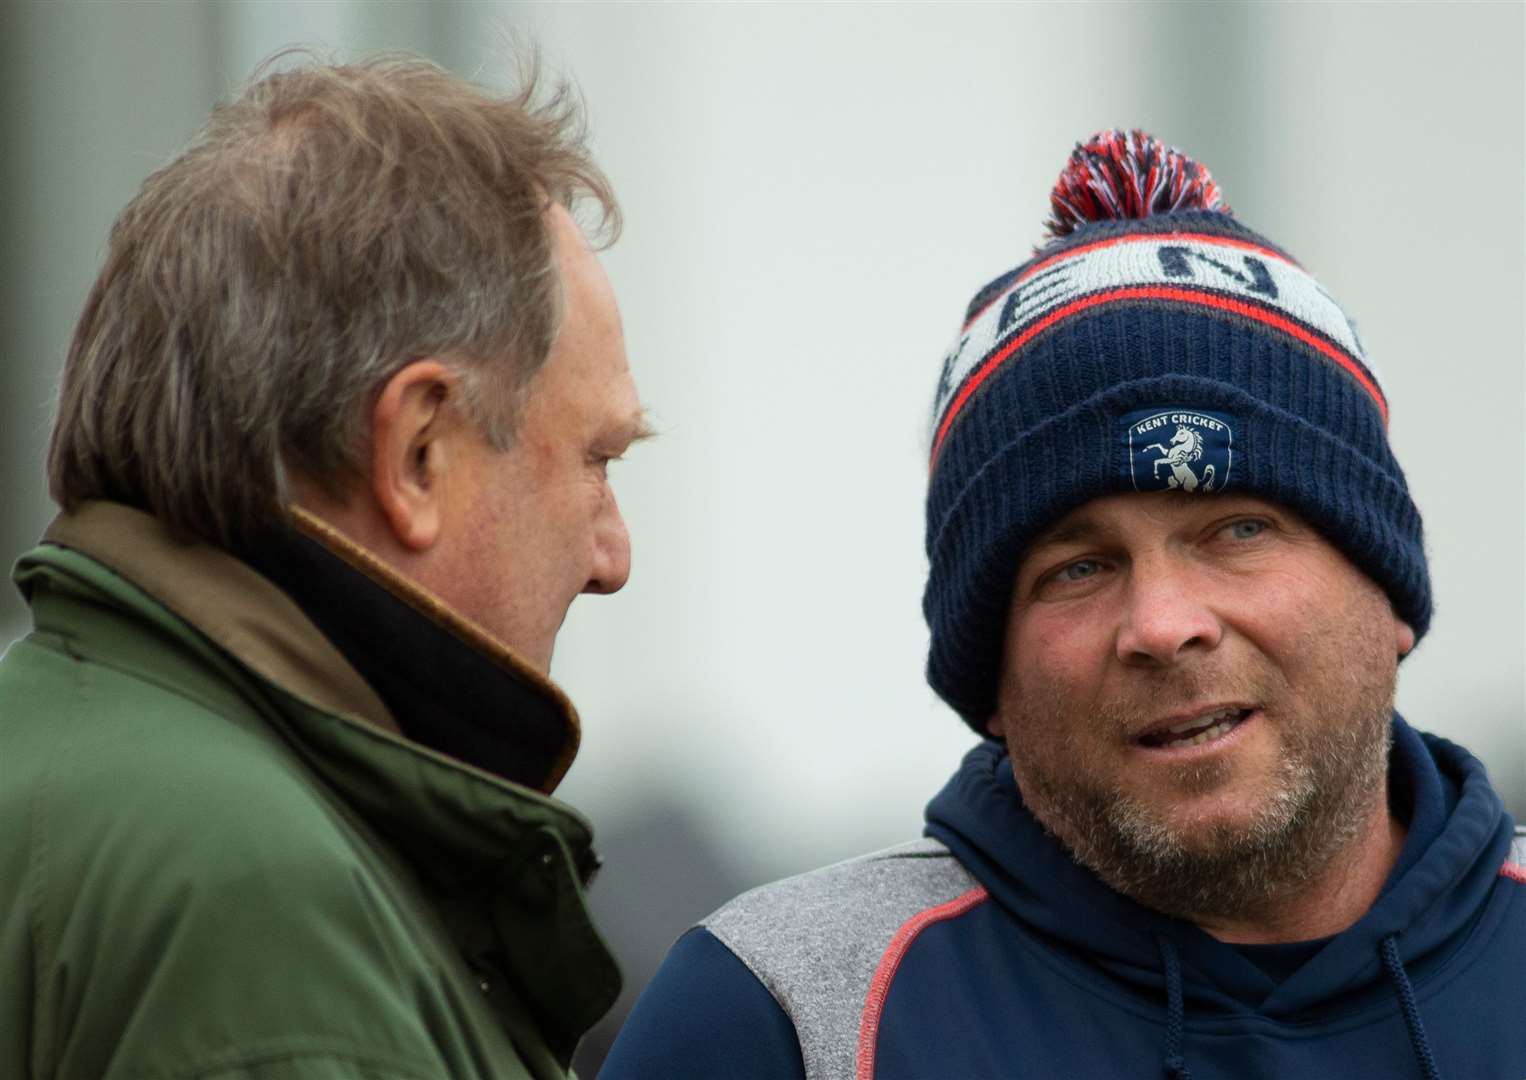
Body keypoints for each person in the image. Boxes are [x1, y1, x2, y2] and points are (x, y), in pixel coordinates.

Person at [602, 131, 1526, 1080]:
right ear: (989, 677)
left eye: (1238, 530)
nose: (1165, 625)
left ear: (1388, 588)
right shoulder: (779, 1016)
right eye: (1077, 569)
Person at [0, 52, 651, 1079]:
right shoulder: (258, 900)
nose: (613, 555)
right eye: (595, 459)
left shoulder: (54, 756)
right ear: (417, 453)